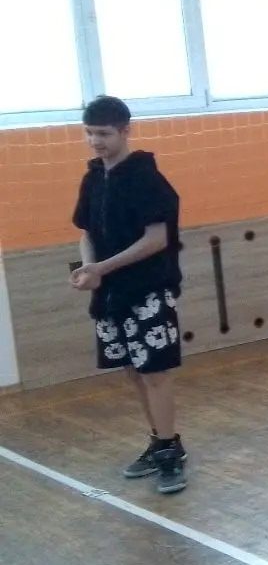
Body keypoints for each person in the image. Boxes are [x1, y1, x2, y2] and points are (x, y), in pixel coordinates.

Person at [70, 95, 187, 494]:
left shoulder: (146, 179)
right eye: (89, 133)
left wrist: (102, 268)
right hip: (111, 295)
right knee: (134, 371)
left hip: (147, 290)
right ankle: (160, 440)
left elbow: (157, 239)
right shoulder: (92, 180)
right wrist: (90, 267)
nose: (95, 141)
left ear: (125, 131)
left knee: (155, 372)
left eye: (103, 133)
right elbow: (87, 233)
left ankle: (170, 452)